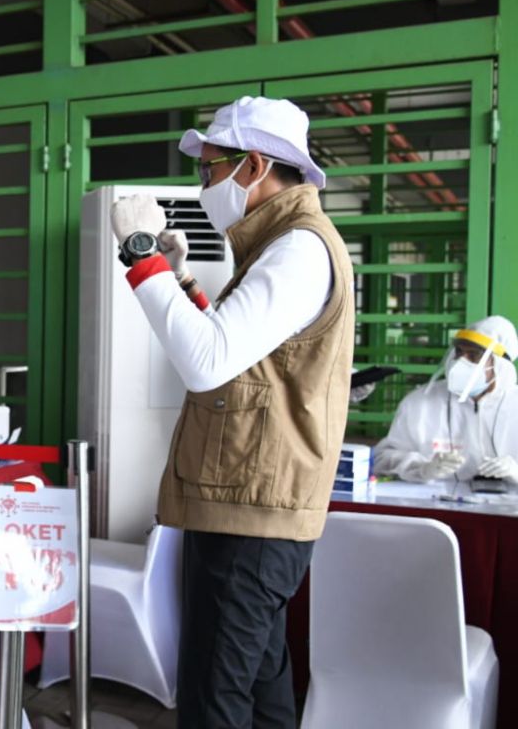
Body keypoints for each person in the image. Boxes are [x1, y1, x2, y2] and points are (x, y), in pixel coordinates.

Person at [109, 96, 354, 728]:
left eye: (210, 169)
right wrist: (184, 283)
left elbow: (207, 360)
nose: (203, 184)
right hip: (254, 507)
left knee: (213, 702)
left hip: (252, 514)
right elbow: (246, 351)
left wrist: (140, 252)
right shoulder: (278, 245)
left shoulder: (299, 249)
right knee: (261, 695)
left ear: (254, 167)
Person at [374, 316, 518, 484]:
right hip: (434, 505)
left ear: (501, 365)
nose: (462, 362)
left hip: (504, 508)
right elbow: (383, 458)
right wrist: (422, 468)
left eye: (474, 355)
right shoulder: (421, 402)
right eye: (459, 352)